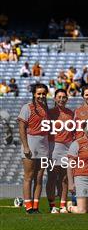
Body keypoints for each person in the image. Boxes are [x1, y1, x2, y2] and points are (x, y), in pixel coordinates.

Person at [18, 83, 49, 214]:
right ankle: (28, 206)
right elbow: (21, 128)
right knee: (28, 176)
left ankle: (35, 206)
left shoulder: (47, 108)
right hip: (31, 142)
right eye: (39, 93)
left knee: (39, 177)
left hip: (44, 144)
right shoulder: (27, 107)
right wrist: (25, 146)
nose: (41, 96)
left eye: (43, 93)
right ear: (34, 94)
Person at [46, 89, 74, 213]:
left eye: (64, 97)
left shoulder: (71, 113)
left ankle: (62, 205)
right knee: (52, 177)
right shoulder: (50, 113)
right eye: (59, 97)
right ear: (55, 98)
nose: (61, 99)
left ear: (67, 99)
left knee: (64, 178)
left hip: (67, 146)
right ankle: (52, 206)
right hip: (53, 146)